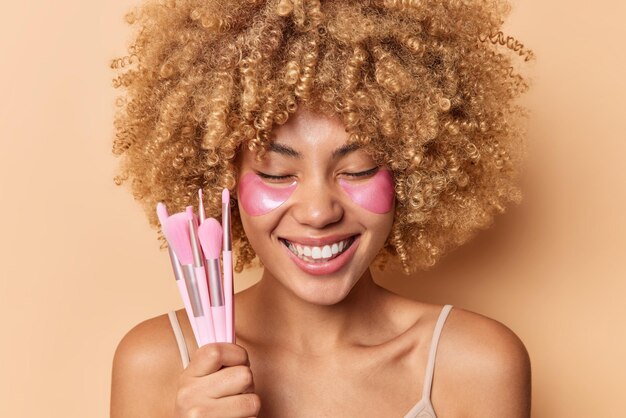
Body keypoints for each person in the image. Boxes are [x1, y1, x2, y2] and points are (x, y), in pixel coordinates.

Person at [109, 0, 533, 417]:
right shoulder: (157, 362)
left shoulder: (476, 364)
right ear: (224, 180)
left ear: (412, 171)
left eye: (359, 169)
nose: (318, 212)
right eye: (276, 173)